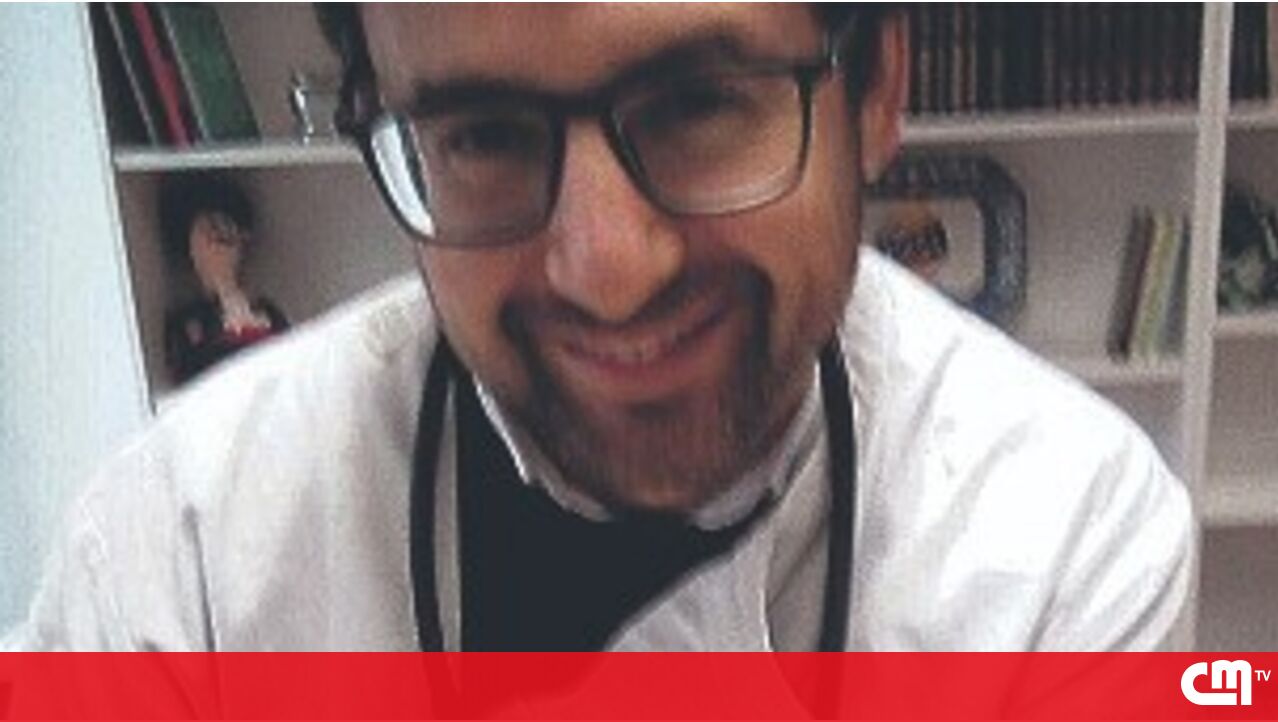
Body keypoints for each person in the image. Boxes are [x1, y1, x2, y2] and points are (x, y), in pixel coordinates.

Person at [9, 3, 1191, 652]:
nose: (608, 271)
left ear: (876, 90)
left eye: (697, 104)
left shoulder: (1067, 540)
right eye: (483, 133)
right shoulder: (179, 557)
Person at [160, 173, 289, 384]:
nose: (217, 247)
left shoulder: (268, 312)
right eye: (207, 234)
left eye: (226, 234)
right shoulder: (188, 324)